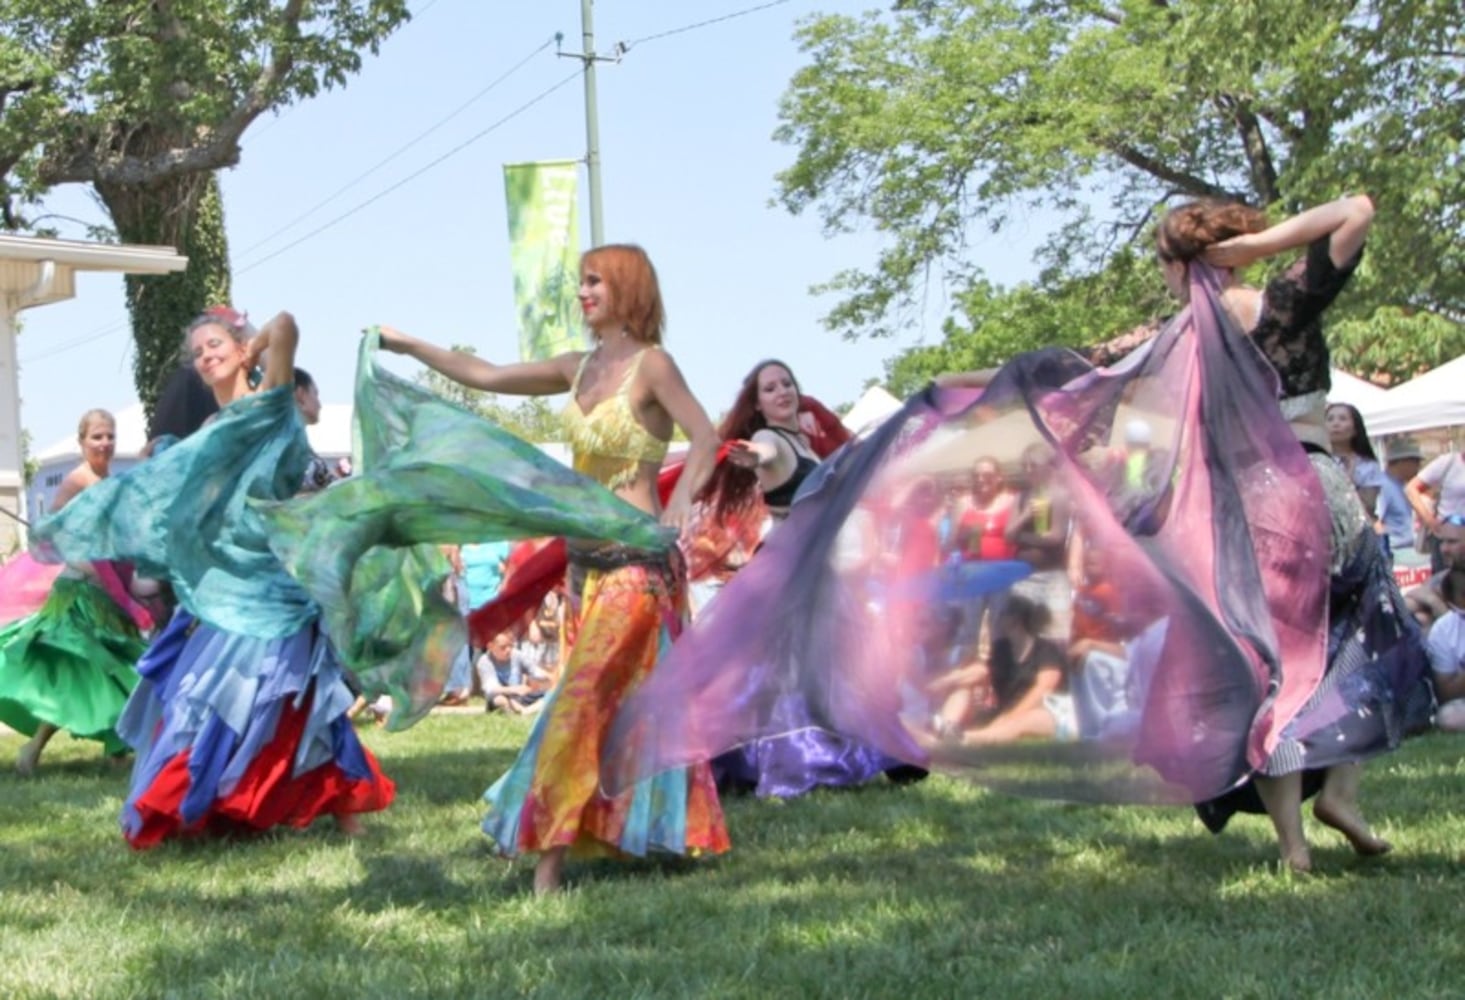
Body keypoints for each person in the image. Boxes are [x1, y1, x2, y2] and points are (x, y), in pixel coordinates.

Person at [378, 243, 729, 893]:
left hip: (637, 565)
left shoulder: (653, 367)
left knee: (575, 704)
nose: (582, 294)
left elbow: (705, 437)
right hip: (583, 569)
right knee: (618, 705)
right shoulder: (577, 368)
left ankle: (546, 856)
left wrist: (678, 506)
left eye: (593, 282)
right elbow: (483, 375)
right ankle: (644, 833)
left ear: (626, 288)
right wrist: (408, 345)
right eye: (580, 284)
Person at [1125, 194, 1427, 871]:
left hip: (1240, 509)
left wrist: (960, 390)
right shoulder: (1284, 303)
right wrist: (1259, 253)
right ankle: (1342, 793)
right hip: (1316, 492)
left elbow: (1080, 372)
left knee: (1267, 667)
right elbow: (1355, 209)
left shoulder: (1179, 338)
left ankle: (1293, 845)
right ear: (1235, 250)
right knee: (1363, 638)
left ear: (1181, 265)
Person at [33, 306, 395, 846]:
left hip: (275, 575)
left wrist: (254, 342)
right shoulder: (208, 430)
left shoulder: (270, 399)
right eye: (198, 352)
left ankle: (342, 808)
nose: (207, 356)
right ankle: (212, 803)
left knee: (292, 692)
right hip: (226, 585)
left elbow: (290, 324)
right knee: (214, 693)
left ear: (240, 349)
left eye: (215, 345)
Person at [695, 359, 905, 797]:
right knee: (791, 669)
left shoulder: (803, 440)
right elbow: (764, 454)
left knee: (829, 662)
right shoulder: (769, 438)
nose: (782, 392)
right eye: (770, 389)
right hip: (791, 569)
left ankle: (851, 750)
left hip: (816, 565)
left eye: (786, 383)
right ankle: (788, 758)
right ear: (758, 404)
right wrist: (754, 456)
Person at [0, 410, 148, 775]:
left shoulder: (108, 480)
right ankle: (33, 749)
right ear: (81, 442)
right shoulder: (77, 480)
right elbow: (48, 533)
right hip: (80, 591)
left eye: (110, 436)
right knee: (83, 669)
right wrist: (84, 562)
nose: (105, 443)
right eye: (97, 436)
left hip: (109, 590)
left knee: (120, 665)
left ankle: (116, 751)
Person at [1422, 515, 1465, 732]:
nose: (1445, 550)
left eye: (1452, 542)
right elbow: (1446, 694)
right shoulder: (1445, 629)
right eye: (1442, 543)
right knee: (1449, 717)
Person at [1406, 448, 1465, 573]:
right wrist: (1430, 521)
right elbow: (1411, 489)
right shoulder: (1449, 462)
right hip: (1449, 539)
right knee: (1446, 586)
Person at [1325, 402, 1387, 515]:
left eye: (1342, 419)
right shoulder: (1316, 461)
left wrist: (1349, 479)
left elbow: (1368, 505)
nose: (1335, 424)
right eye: (1330, 419)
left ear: (1355, 429)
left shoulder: (1367, 465)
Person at [1377, 438, 1424, 561]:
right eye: (1416, 461)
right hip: (1395, 552)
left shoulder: (1401, 485)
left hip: (1407, 549)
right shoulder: (1383, 486)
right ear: (1402, 461)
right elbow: (1375, 522)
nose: (1419, 466)